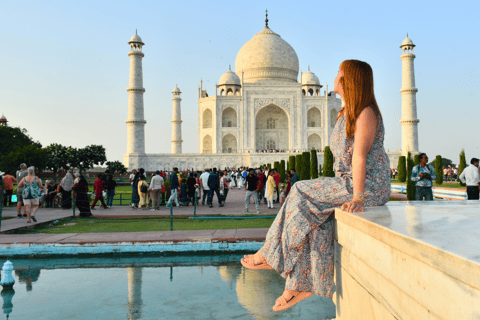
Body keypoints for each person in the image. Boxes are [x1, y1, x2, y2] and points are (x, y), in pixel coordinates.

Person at [240, 60, 391, 311]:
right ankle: (301, 285)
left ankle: (271, 254)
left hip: (367, 185)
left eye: (339, 73)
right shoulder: (346, 113)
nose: (335, 77)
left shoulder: (365, 112)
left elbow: (360, 156)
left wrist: (359, 197)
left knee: (299, 190)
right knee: (316, 220)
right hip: (346, 181)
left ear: (349, 80)